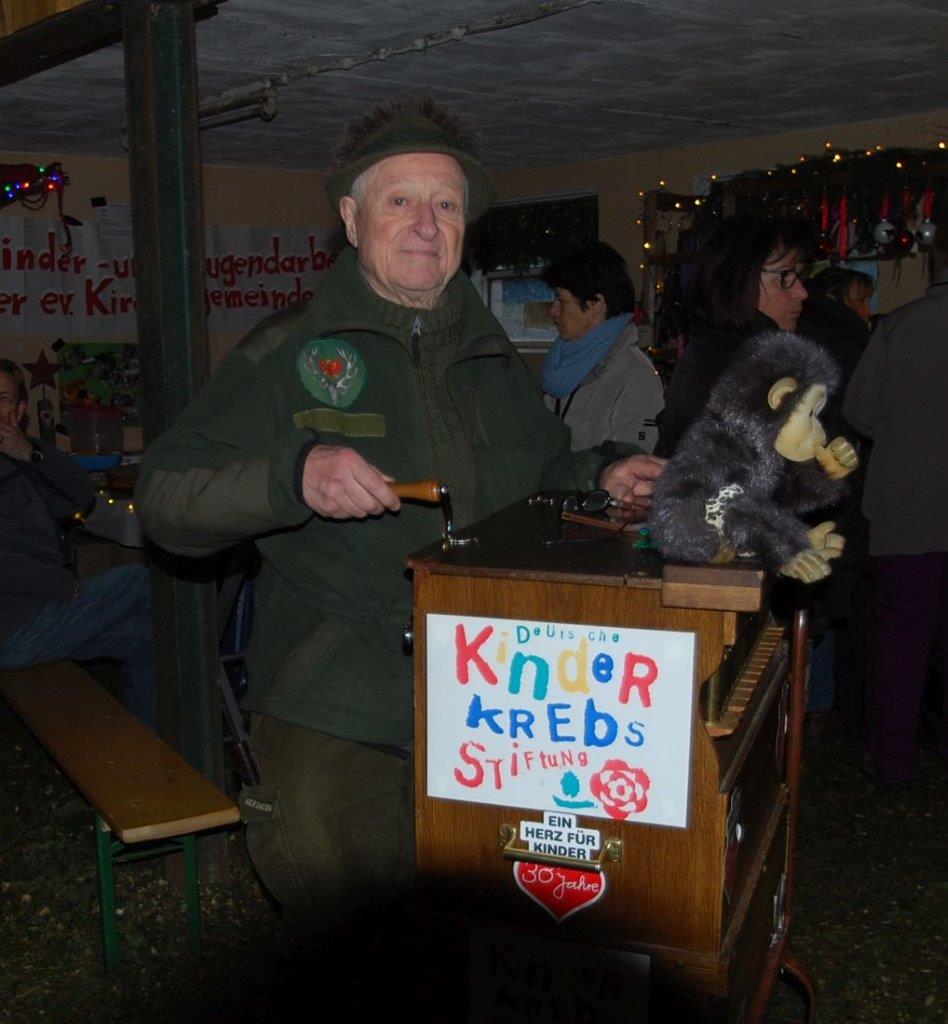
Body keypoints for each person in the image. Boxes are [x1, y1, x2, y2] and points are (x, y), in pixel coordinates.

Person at [134, 97, 665, 923]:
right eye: (400, 200)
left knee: (507, 916)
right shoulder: (289, 355)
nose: (426, 223)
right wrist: (295, 475)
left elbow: (541, 472)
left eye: (446, 204)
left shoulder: (493, 358)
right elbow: (164, 496)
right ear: (351, 219)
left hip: (500, 700)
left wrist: (606, 472)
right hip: (339, 697)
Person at [842, 225, 948, 787]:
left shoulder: (899, 326)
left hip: (908, 507)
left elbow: (860, 411)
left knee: (902, 640)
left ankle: (893, 758)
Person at [0, 359, 156, 730]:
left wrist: (28, 453)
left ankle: (151, 750)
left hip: (36, 620)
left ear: (20, 411)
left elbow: (79, 497)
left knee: (148, 637)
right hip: (16, 628)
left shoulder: (23, 457)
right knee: (139, 580)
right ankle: (212, 662)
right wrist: (63, 586)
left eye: (2, 397)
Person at [655, 214, 814, 457]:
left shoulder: (714, 346)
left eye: (800, 276)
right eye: (784, 277)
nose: (801, 292)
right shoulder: (746, 368)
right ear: (739, 280)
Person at [797, 267, 875, 727]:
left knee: (811, 587)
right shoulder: (851, 347)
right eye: (859, 300)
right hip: (833, 479)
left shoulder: (790, 340)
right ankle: (816, 701)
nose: (866, 311)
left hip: (808, 483)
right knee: (822, 585)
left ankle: (807, 701)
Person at [540, 242, 664, 453]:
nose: (553, 311)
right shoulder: (562, 361)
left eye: (561, 301)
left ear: (595, 304)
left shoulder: (636, 375)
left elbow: (633, 463)